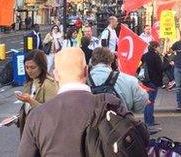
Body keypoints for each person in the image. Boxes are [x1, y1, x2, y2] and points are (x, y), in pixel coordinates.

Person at [18, 47, 147, 157]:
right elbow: (142, 137)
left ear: (56, 75)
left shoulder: (37, 115)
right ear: (86, 70)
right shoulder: (109, 103)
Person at [88, 47, 148, 113]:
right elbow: (140, 106)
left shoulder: (82, 81)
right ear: (111, 60)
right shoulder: (130, 80)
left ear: (92, 61)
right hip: (120, 121)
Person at [16, 50, 58, 136]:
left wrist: (30, 101)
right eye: (26, 67)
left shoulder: (49, 84)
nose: (29, 71)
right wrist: (16, 119)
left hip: (43, 133)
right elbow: (27, 111)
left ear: (41, 66)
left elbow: (51, 113)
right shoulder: (29, 83)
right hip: (29, 132)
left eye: (33, 67)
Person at [141, 40, 163, 128]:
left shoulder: (144, 56)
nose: (159, 48)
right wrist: (168, 64)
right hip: (153, 81)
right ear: (155, 47)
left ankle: (147, 119)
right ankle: (149, 121)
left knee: (147, 101)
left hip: (145, 81)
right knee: (151, 101)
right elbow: (160, 69)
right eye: (158, 47)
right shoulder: (156, 56)